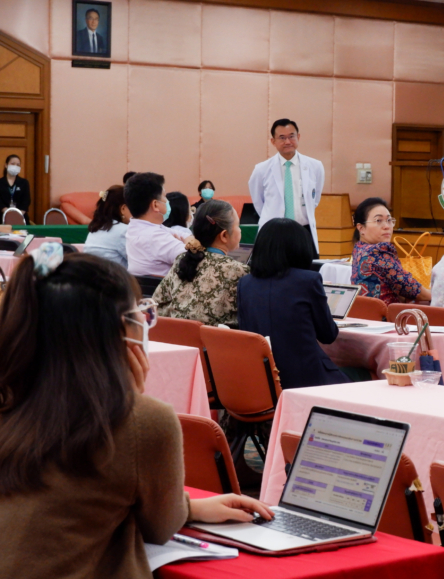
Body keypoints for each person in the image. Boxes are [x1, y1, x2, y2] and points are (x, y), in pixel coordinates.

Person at [0, 246, 273, 578]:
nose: (145, 322)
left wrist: (191, 507)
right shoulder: (141, 421)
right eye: (139, 313)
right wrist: (131, 402)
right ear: (114, 332)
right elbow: (160, 526)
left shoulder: (12, 399)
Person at [238, 218, 349, 389]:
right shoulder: (308, 280)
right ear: (299, 248)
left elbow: (246, 332)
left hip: (263, 380)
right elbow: (328, 335)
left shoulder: (245, 284)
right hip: (308, 379)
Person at [153, 200, 247, 327]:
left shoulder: (182, 260)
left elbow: (157, 303)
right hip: (214, 339)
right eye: (238, 225)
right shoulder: (240, 271)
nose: (240, 230)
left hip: (177, 336)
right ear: (224, 235)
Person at [248, 119, 324, 257]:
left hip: (303, 231)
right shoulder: (261, 169)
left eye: (291, 136)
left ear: (298, 137)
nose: (287, 141)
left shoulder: (315, 166)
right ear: (273, 141)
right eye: (282, 138)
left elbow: (315, 199)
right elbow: (259, 203)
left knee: (305, 269)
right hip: (274, 233)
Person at [350, 197, 430, 305]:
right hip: (385, 314)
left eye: (389, 220)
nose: (387, 226)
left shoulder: (359, 249)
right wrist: (436, 296)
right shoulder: (378, 251)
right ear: (361, 228)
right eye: (378, 221)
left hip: (365, 312)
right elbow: (410, 287)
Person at [124, 172, 185, 277]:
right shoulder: (155, 236)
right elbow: (195, 261)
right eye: (165, 197)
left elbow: (185, 235)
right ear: (155, 205)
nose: (167, 201)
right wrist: (185, 244)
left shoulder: (136, 227)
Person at [84, 185, 131, 268]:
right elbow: (139, 261)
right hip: (114, 276)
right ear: (123, 209)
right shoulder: (123, 231)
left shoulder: (96, 228)